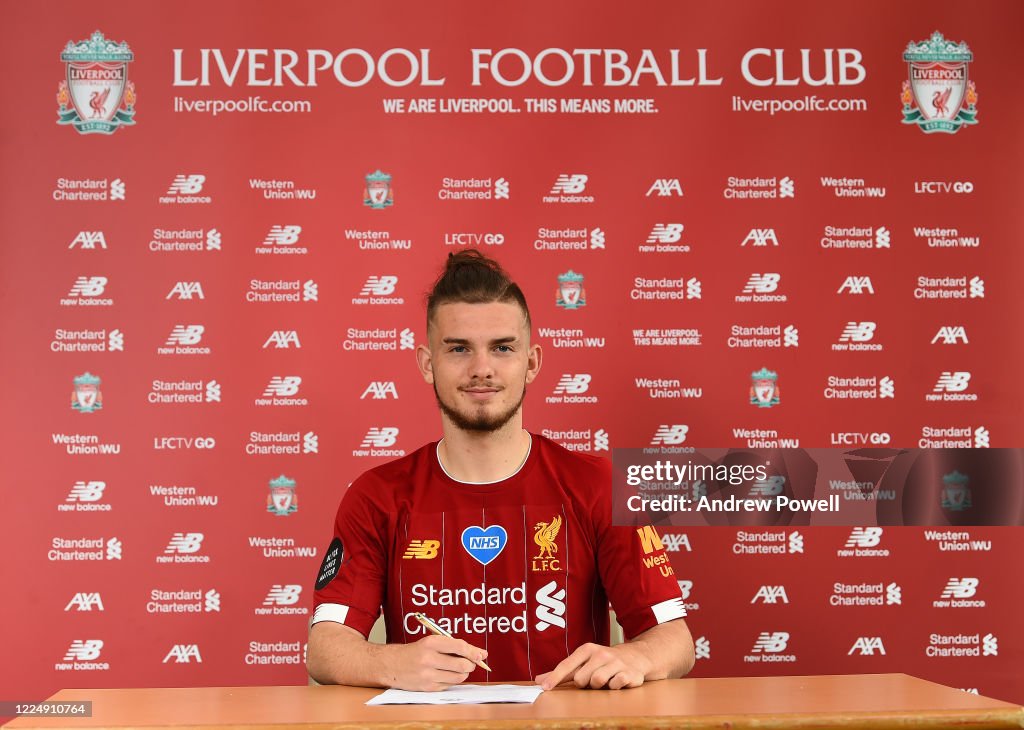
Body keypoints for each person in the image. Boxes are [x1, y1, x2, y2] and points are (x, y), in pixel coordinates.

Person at [307, 250, 694, 691]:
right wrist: (390, 663)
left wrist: (633, 655)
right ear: (426, 363)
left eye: (502, 348)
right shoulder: (377, 495)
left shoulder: (598, 485)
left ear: (531, 363)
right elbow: (325, 647)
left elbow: (676, 641)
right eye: (458, 349)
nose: (481, 369)